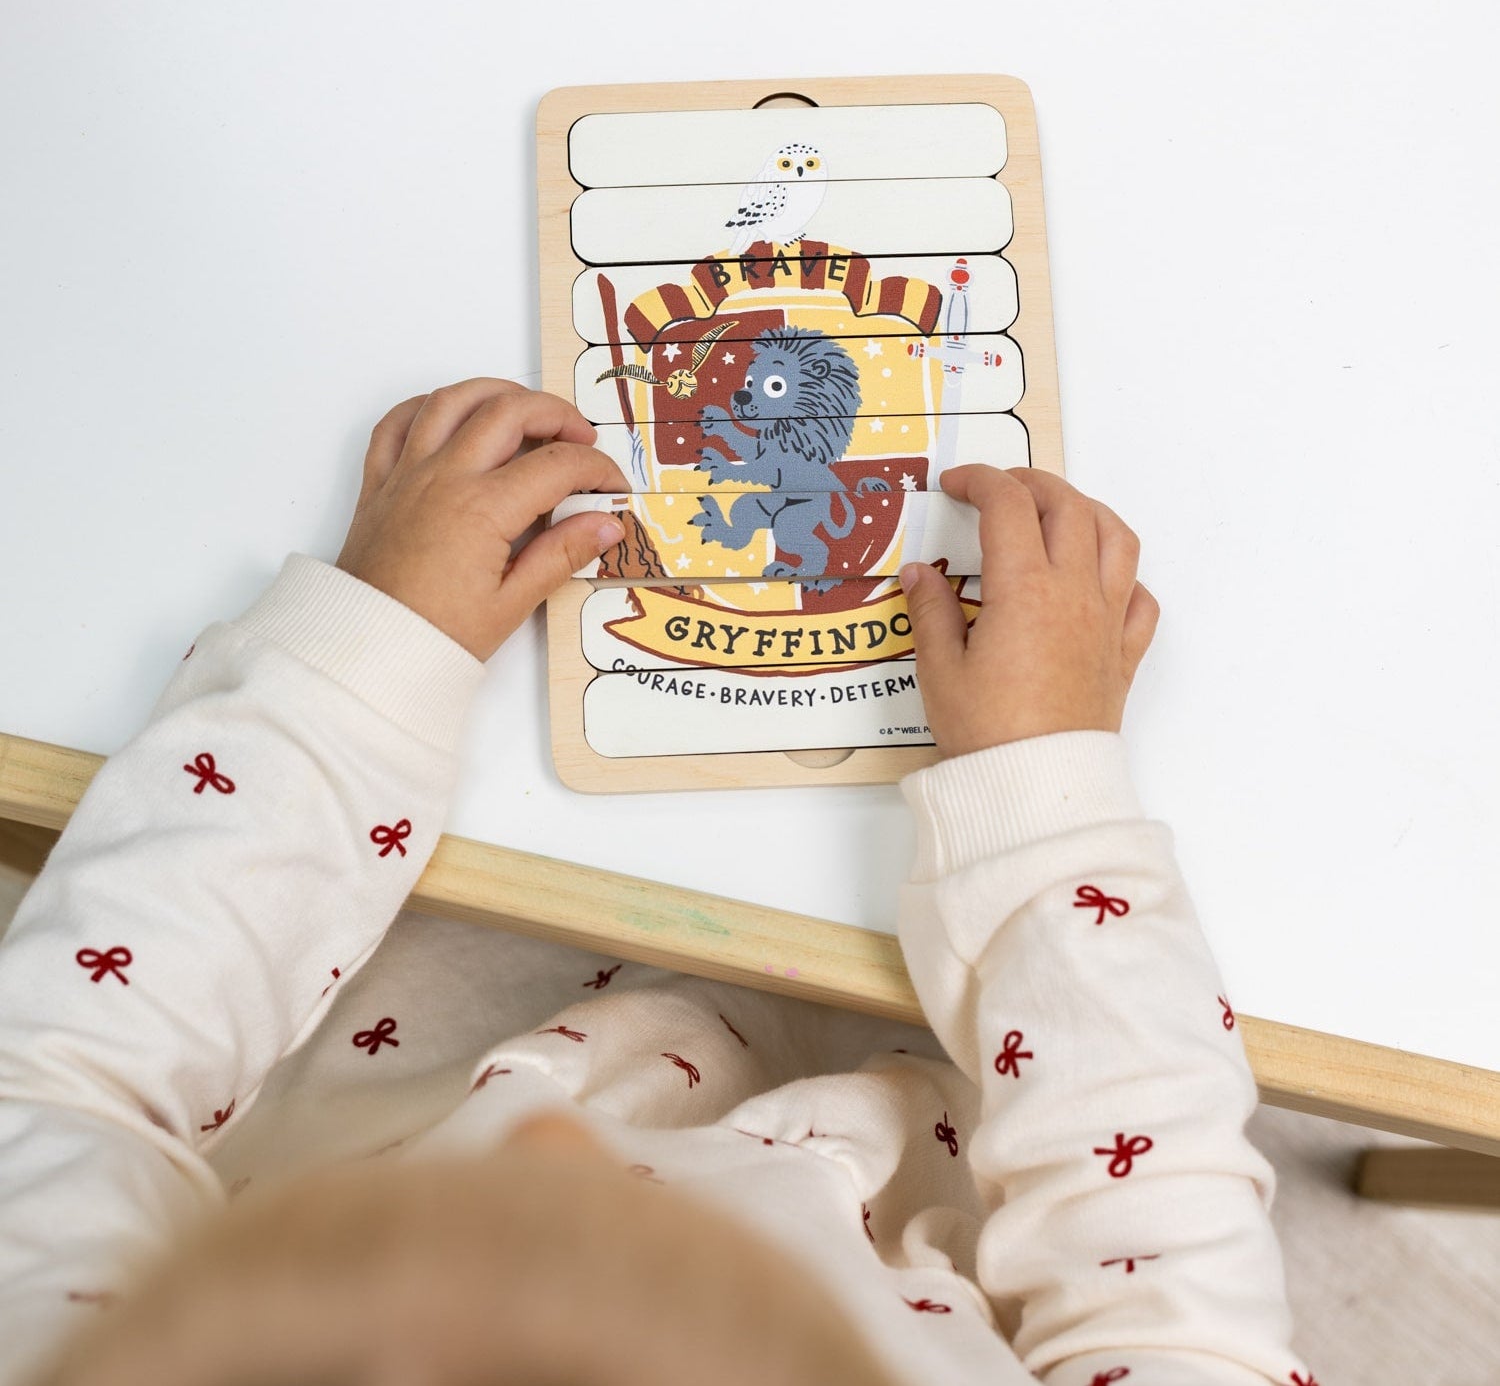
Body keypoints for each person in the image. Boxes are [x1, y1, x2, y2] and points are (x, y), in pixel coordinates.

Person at [0, 378, 1314, 1385]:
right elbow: (1171, 1286)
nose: (555, 1141)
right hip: (978, 1095)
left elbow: (63, 1069)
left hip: (385, 1006)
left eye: (501, 1204)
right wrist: (1047, 798)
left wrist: (365, 656)